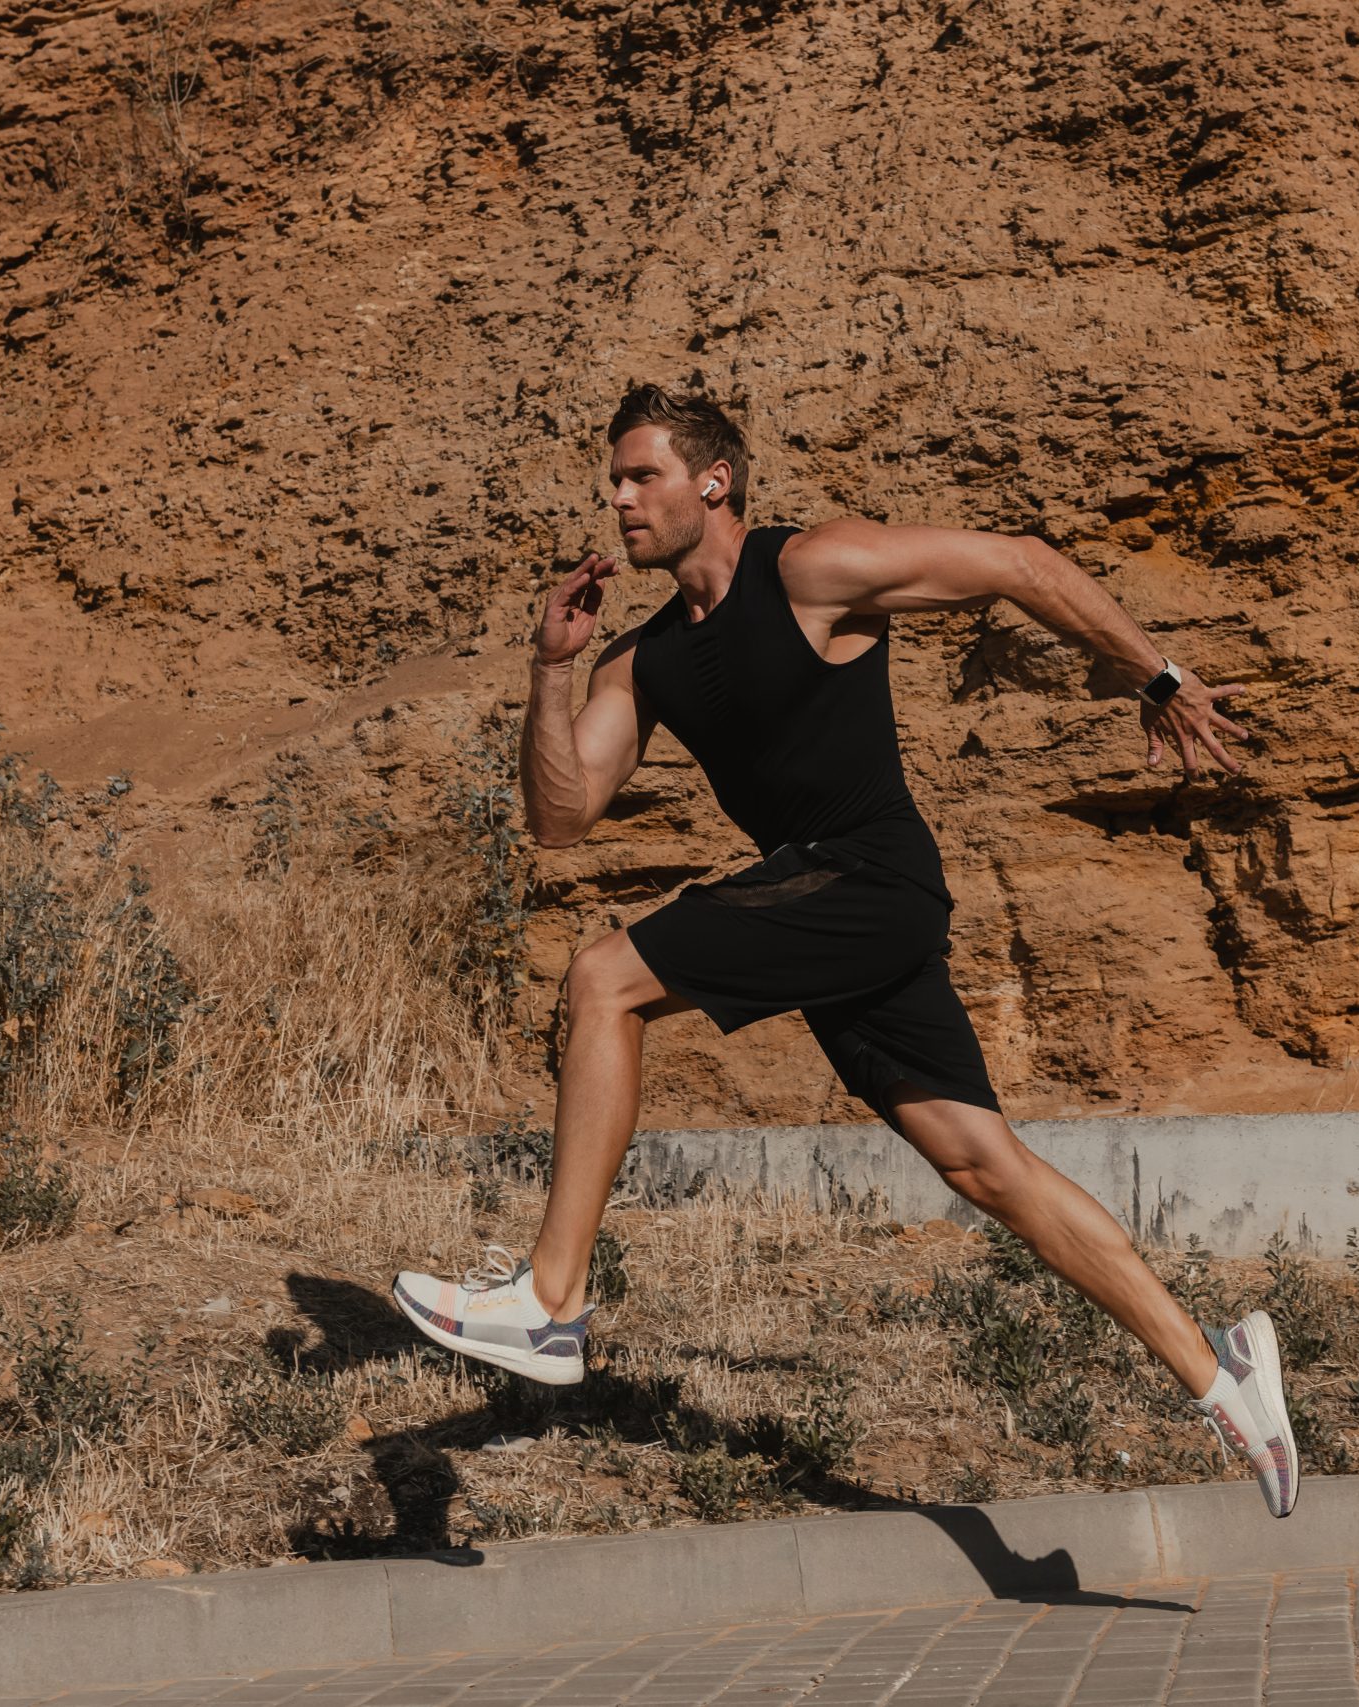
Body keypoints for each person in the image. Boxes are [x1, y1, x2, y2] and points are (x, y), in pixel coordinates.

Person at [393, 385, 1299, 1518]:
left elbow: (1017, 562)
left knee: (602, 976)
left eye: (641, 477)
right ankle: (1222, 1376)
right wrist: (550, 668)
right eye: (612, 482)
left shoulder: (811, 569)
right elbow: (561, 817)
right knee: (983, 1165)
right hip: (832, 904)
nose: (617, 499)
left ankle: (551, 1299)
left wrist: (1156, 677)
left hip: (869, 876)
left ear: (710, 482)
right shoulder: (646, 663)